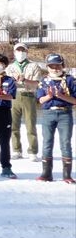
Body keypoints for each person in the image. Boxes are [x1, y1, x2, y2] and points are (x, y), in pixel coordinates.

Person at [35, 53, 76, 183]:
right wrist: (50, 96)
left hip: (65, 113)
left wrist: (61, 96)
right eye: (51, 66)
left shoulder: (70, 80)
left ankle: (67, 174)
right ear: (47, 67)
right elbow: (41, 100)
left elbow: (74, 100)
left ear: (62, 66)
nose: (55, 69)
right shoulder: (44, 80)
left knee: (65, 143)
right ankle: (46, 173)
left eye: (57, 66)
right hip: (48, 113)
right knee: (47, 142)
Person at [5, 42, 42, 161]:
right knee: (13, 125)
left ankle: (33, 151)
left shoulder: (34, 66)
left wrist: (25, 80)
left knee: (30, 125)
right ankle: (16, 150)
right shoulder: (9, 67)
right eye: (18, 50)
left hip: (29, 95)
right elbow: (6, 83)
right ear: (14, 52)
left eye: (23, 50)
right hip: (13, 96)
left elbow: (37, 83)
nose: (20, 53)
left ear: (26, 52)